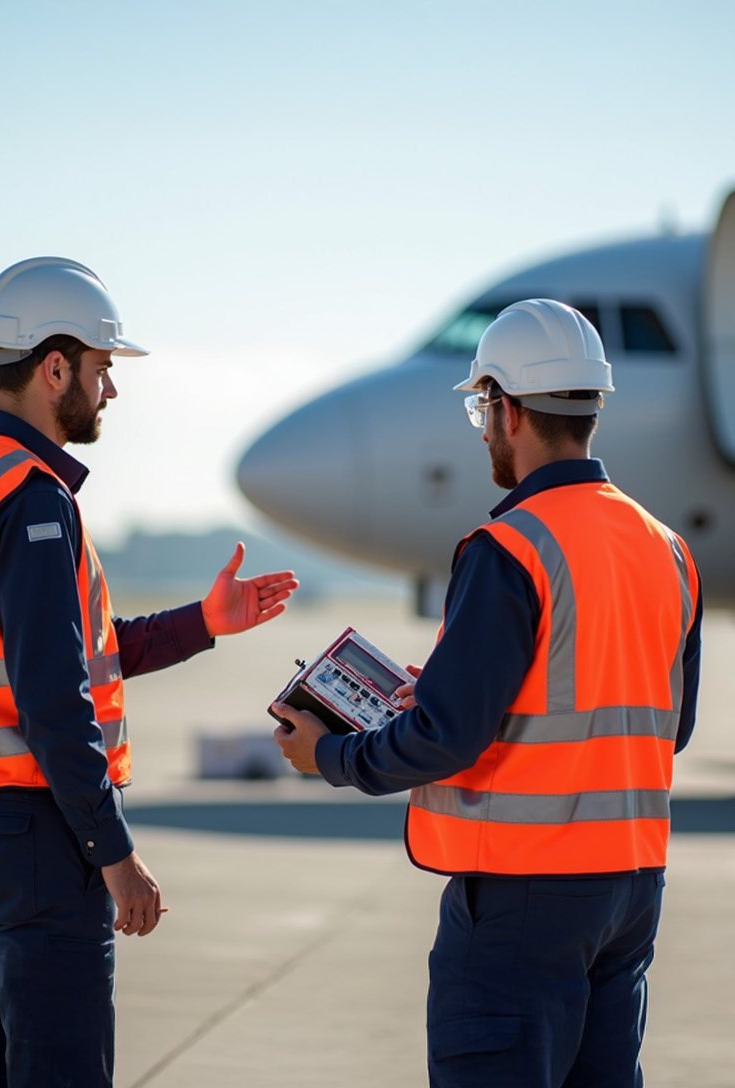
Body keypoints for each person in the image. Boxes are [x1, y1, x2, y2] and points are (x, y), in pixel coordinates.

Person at [272, 298, 702, 1088]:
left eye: (481, 408)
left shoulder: (510, 548)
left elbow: (447, 737)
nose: (482, 430)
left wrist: (329, 753)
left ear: (506, 409)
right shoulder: (666, 549)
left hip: (522, 895)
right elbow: (664, 724)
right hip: (630, 889)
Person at [0, 256, 298, 1088]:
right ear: (54, 368)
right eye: (102, 368)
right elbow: (53, 698)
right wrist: (113, 852)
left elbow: (69, 652)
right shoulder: (31, 498)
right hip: (33, 836)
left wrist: (203, 623)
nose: (110, 391)